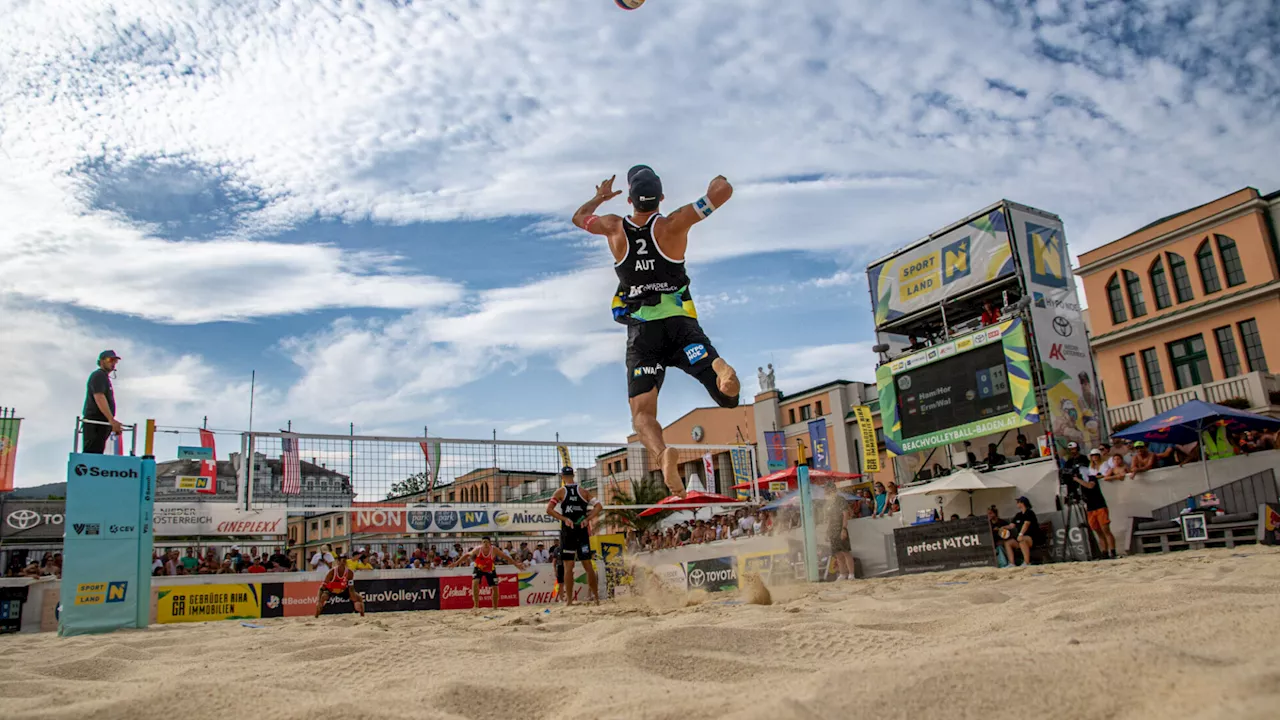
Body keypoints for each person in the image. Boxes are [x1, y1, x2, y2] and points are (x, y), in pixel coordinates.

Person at [572, 167, 739, 498]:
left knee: (642, 415)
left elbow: (580, 217)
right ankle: (720, 367)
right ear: (661, 198)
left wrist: (600, 197)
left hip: (642, 334)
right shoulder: (674, 222)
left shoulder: (613, 227)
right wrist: (715, 180)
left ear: (630, 199)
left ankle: (663, 455)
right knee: (726, 398)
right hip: (680, 327)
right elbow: (723, 191)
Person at [545, 466, 601, 605]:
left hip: (568, 530)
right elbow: (599, 506)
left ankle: (569, 601)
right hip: (582, 530)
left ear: (563, 477)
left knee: (568, 566)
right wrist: (588, 519)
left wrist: (564, 518)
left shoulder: (560, 492)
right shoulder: (583, 491)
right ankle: (596, 599)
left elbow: (549, 510)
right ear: (573, 476)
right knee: (588, 565)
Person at [452, 536, 524, 611]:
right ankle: (476, 606)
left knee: (495, 588)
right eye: (484, 542)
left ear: (490, 543)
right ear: (481, 543)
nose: (485, 544)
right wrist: (456, 563)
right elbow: (466, 555)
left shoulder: (494, 549)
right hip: (478, 568)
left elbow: (505, 557)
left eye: (487, 542)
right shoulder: (478, 549)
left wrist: (516, 564)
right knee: (475, 583)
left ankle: (495, 608)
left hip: (490, 569)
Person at [1075, 449, 1117, 559]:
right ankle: (1104, 552)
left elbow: (1090, 486)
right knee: (1098, 532)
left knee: (1105, 530)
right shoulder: (1082, 479)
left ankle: (1112, 551)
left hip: (1099, 505)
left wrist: (1077, 480)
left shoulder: (1092, 476)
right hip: (1090, 507)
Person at [81, 350, 124, 454]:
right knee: (92, 452)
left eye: (115, 361)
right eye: (110, 360)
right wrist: (111, 420)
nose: (113, 363)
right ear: (101, 361)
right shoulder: (98, 375)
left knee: (97, 451)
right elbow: (99, 397)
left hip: (102, 423)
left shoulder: (104, 378)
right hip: (95, 422)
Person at [314, 553, 365, 617]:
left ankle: (362, 617)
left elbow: (351, 588)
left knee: (359, 598)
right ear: (338, 562)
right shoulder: (332, 572)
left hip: (342, 590)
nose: (343, 562)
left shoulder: (349, 573)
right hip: (331, 590)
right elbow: (321, 588)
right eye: (341, 560)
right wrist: (318, 601)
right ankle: (316, 616)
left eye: (344, 560)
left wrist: (354, 600)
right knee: (322, 598)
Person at [999, 497, 1042, 568]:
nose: (1016, 504)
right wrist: (1003, 527)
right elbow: (1011, 526)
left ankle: (1026, 562)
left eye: (1018, 502)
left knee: (1022, 540)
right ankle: (1012, 563)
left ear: (1022, 503)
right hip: (1020, 538)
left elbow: (1026, 524)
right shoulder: (1018, 515)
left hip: (1033, 538)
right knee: (1008, 543)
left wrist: (1021, 534)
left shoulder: (1029, 512)